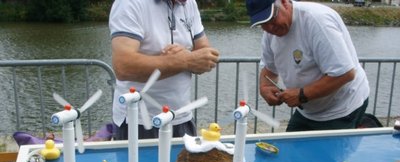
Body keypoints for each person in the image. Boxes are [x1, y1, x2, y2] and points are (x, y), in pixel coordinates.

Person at [246, 0, 370, 131]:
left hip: (342, 108)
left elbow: (345, 74)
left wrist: (301, 95)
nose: (270, 27)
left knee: (328, 152)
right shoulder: (270, 33)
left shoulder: (317, 21)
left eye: (272, 18)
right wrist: (265, 87)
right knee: (289, 149)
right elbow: (269, 69)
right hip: (308, 110)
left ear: (284, 2)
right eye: (262, 23)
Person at [109, 0, 219, 139]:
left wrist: (184, 57)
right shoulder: (129, 3)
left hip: (182, 117)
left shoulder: (189, 3)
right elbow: (123, 67)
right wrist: (185, 60)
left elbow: (207, 56)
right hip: (140, 121)